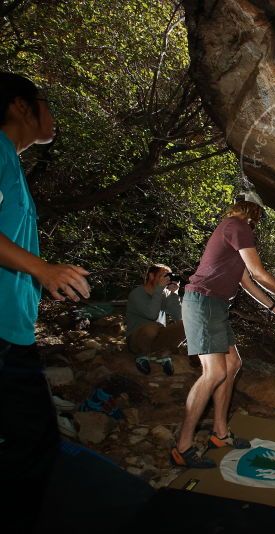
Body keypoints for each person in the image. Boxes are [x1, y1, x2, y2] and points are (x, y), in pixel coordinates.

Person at [0, 72, 91, 531]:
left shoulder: (12, 163)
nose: (52, 114)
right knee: (32, 442)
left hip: (11, 330)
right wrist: (42, 269)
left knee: (29, 441)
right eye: (44, 103)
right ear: (20, 106)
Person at [171, 197, 275, 468]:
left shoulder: (231, 232)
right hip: (203, 302)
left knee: (233, 363)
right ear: (253, 217)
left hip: (215, 305)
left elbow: (246, 281)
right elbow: (259, 273)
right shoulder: (238, 226)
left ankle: (220, 433)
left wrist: (274, 308)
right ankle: (183, 447)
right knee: (214, 372)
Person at [125, 263, 185, 375]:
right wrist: (159, 290)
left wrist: (174, 294)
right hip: (136, 339)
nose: (167, 278)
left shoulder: (165, 293)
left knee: (188, 323)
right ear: (152, 276)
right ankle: (142, 356)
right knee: (152, 327)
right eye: (163, 275)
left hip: (157, 338)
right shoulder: (137, 293)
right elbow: (151, 315)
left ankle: (162, 354)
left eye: (169, 276)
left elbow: (178, 317)